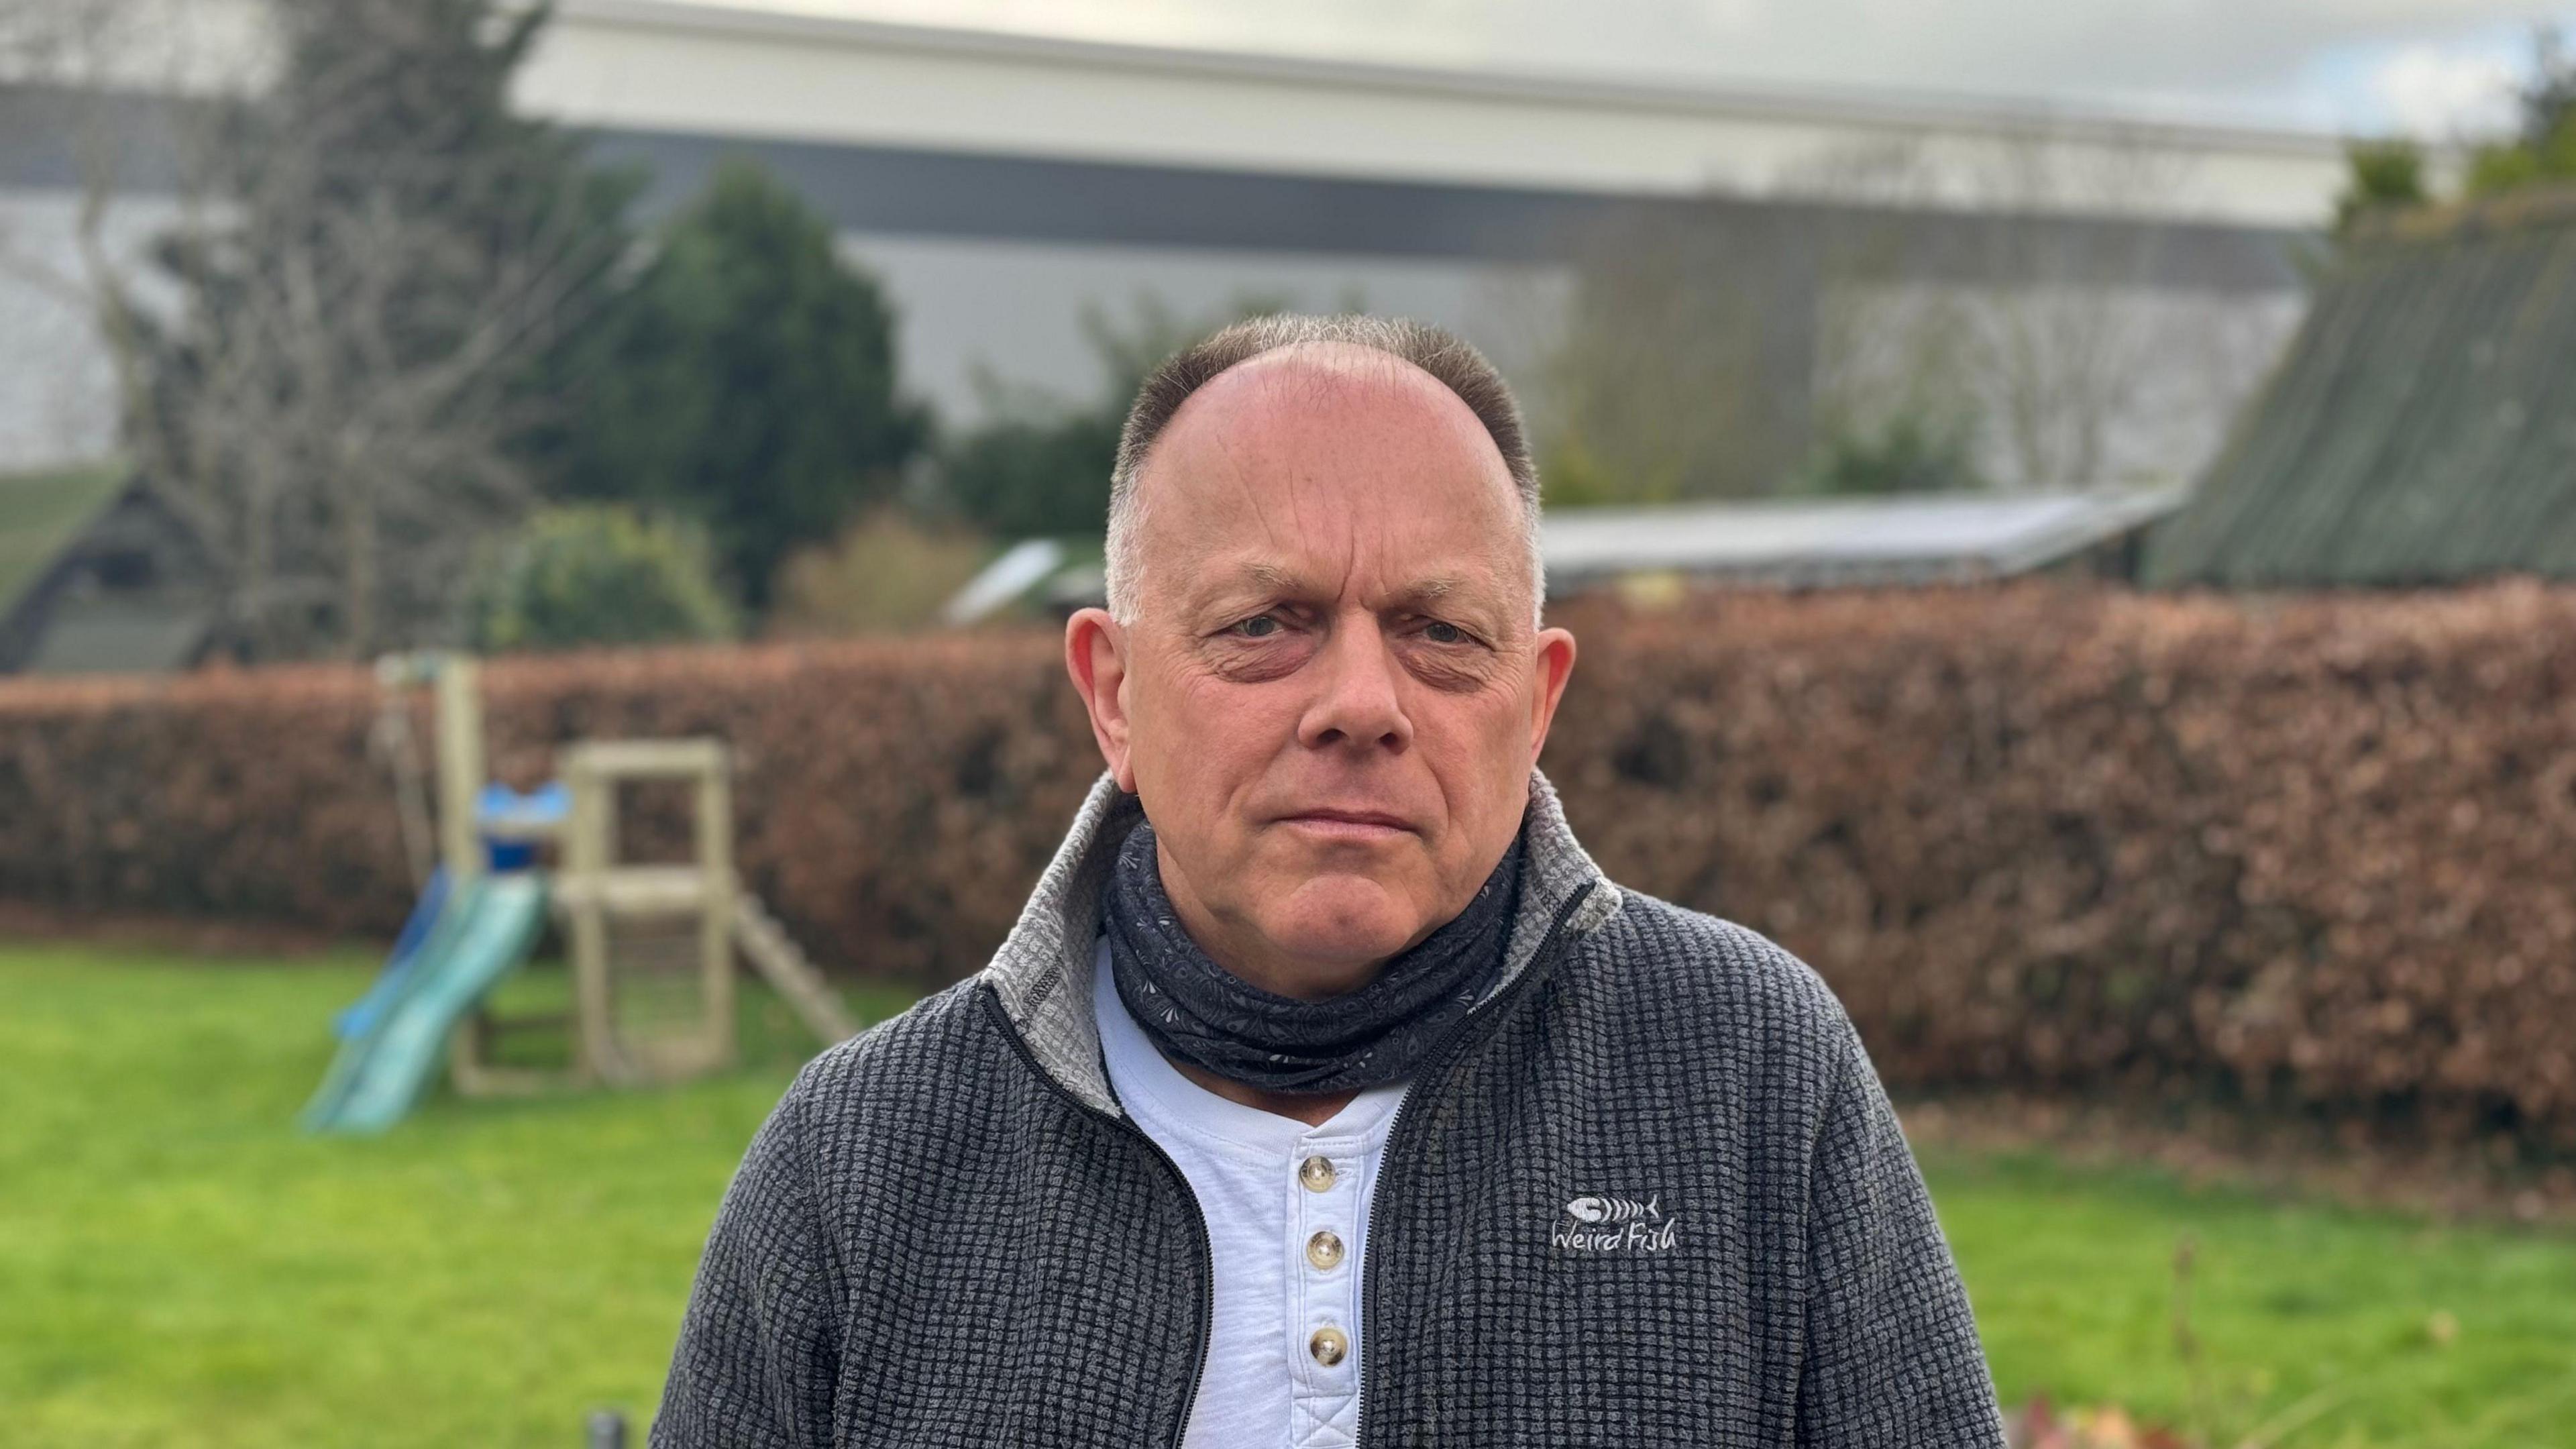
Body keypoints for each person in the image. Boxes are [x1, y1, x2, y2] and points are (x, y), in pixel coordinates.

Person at [651, 313, 2006, 1448]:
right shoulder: (863, 1161)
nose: (1363, 702)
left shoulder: (1752, 1075)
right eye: (1264, 626)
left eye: (1440, 631)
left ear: (1535, 704)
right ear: (1112, 695)